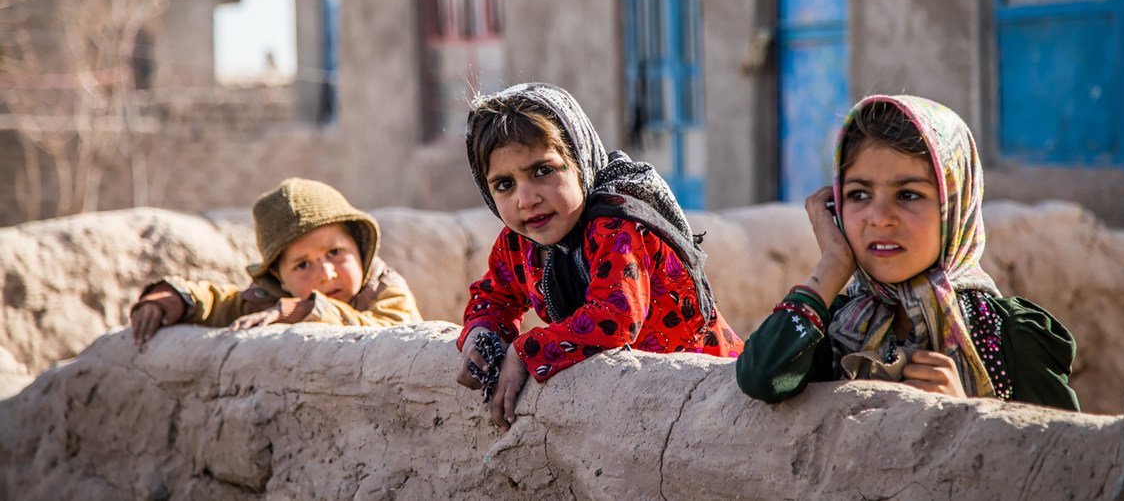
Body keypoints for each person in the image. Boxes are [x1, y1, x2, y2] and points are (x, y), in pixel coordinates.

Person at [736, 95, 1080, 411]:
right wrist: (833, 263)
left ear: (956, 206)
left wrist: (967, 415)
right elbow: (761, 377)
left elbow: (1062, 463)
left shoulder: (1010, 338)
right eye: (858, 195)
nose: (881, 218)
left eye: (909, 195)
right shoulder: (830, 329)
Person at [456, 82, 744, 430]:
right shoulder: (520, 243)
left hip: (712, 400)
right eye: (505, 185)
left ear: (580, 161)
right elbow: (495, 295)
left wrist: (523, 350)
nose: (526, 198)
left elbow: (615, 318)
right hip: (636, 412)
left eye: (543, 171)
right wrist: (483, 335)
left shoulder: (618, 222)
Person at [129, 178, 422, 346]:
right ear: (279, 279)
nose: (325, 273)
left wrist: (308, 310)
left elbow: (396, 333)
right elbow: (226, 303)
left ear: (359, 249)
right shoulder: (277, 303)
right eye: (302, 265)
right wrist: (174, 298)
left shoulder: (385, 289)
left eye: (334, 252)